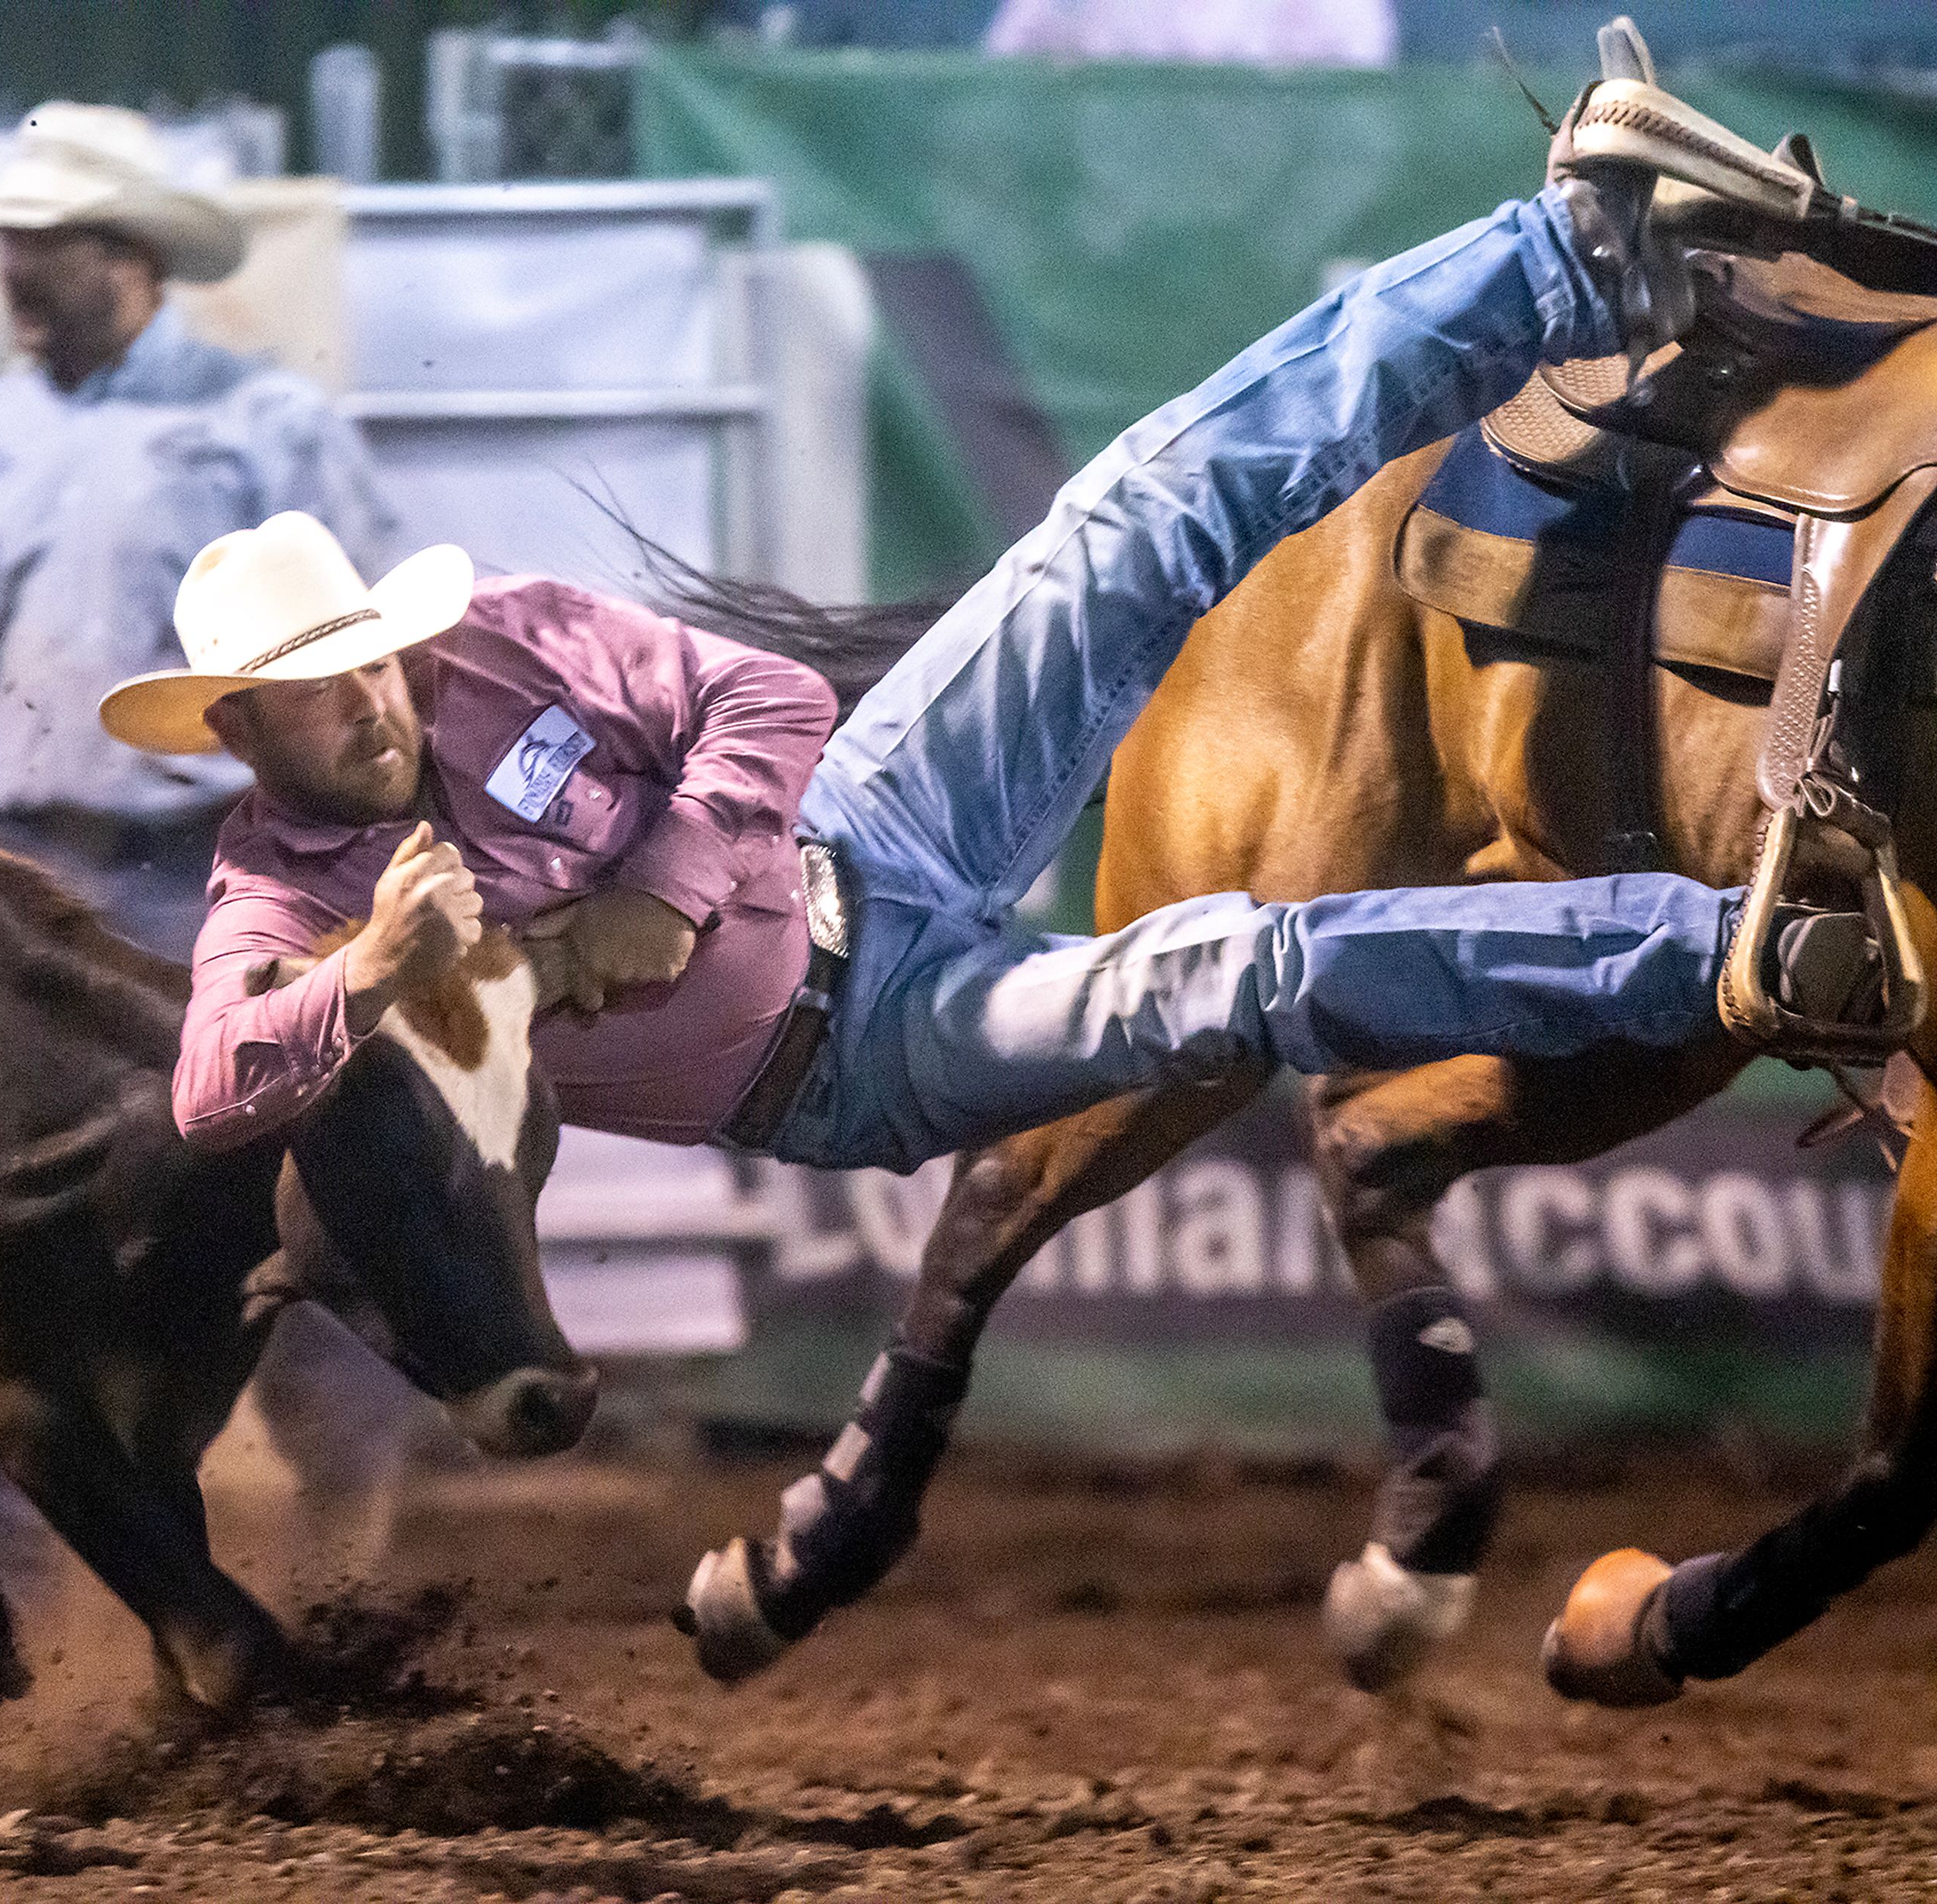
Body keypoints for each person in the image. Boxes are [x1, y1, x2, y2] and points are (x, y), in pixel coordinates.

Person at [125, 83, 1871, 1183]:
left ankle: (1577, 254)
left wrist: (659, 874)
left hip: (863, 829)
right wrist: (364, 973)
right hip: (859, 1059)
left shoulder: (495, 638)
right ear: (241, 735)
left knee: (1129, 513)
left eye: (360, 650)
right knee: (1233, 968)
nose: (363, 692)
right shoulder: (277, 909)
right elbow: (211, 1089)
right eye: (309, 690)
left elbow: (754, 693)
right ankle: (1728, 948)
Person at [0, 102, 393, 963]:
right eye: (9, 241)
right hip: (11, 876)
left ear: (131, 256)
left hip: (217, 873)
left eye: (43, 242)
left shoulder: (269, 427)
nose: (13, 270)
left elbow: (369, 643)